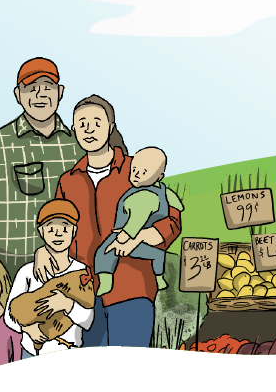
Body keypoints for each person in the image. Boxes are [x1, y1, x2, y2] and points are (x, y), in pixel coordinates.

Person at [33, 94, 182, 348]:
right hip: (84, 293)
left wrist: (151, 235)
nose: (89, 129)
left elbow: (170, 214)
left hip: (132, 289)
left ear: (111, 127)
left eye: (96, 122)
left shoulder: (135, 170)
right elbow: (57, 227)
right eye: (81, 123)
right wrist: (43, 251)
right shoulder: (68, 181)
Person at [0, 57, 85, 305]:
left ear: (60, 92)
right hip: (9, 280)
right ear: (17, 95)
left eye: (48, 87)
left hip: (71, 279)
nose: (40, 95)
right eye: (31, 88)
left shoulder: (79, 146)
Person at [4, 199, 95, 359]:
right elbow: (8, 316)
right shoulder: (27, 272)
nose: (58, 234)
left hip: (70, 352)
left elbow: (88, 320)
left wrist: (67, 304)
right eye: (51, 229)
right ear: (41, 231)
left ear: (74, 231)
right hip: (31, 353)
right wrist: (27, 329)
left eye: (65, 228)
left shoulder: (81, 271)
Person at [94, 146, 184, 295]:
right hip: (146, 244)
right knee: (156, 254)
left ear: (159, 176)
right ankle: (159, 277)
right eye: (134, 169)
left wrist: (125, 237)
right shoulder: (163, 191)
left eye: (144, 172)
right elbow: (176, 205)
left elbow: (136, 220)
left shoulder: (142, 196)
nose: (136, 174)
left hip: (123, 234)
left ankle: (105, 279)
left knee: (104, 252)